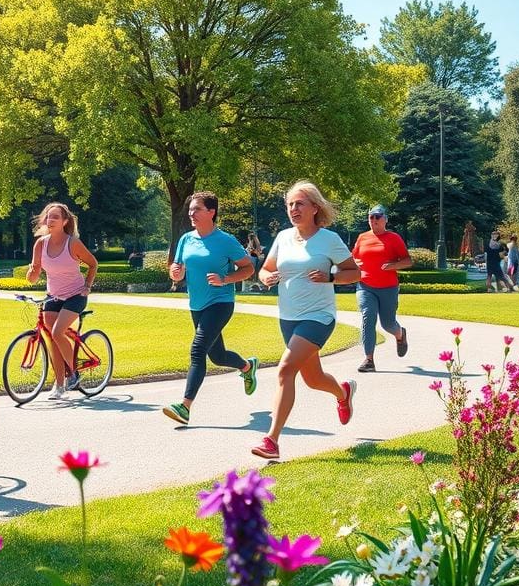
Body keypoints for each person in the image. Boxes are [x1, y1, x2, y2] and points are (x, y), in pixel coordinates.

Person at [251, 181, 360, 460]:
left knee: (285, 369)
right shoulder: (284, 237)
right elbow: (265, 269)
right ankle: (342, 393)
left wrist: (332, 277)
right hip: (288, 317)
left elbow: (354, 273)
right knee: (313, 379)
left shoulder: (329, 240)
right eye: (289, 204)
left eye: (299, 203)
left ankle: (272, 440)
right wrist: (266, 278)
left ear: (315, 207)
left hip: (318, 317)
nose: (293, 209)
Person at [163, 191, 258, 426]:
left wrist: (225, 279)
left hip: (221, 302)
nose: (191, 213)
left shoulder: (225, 241)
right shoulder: (186, 239)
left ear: (211, 212)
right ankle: (248, 366)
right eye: (190, 210)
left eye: (196, 209)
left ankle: (184, 407)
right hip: (197, 304)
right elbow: (177, 267)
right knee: (217, 356)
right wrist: (176, 272)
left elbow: (248, 269)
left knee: (197, 350)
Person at [25, 203, 99, 399]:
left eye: (55, 217)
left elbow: (93, 264)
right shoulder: (40, 244)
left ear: (65, 221)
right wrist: (32, 272)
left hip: (75, 295)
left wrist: (87, 286)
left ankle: (73, 373)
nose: (50, 220)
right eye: (48, 217)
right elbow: (32, 278)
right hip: (53, 296)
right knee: (52, 339)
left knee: (57, 332)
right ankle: (59, 386)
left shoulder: (72, 243)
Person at [351, 204, 412, 373]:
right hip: (365, 286)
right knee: (367, 317)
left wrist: (392, 265)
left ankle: (400, 335)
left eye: (378, 216)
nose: (374, 220)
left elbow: (408, 261)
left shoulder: (394, 238)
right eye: (371, 217)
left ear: (385, 219)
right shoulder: (362, 238)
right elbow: (353, 257)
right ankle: (369, 360)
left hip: (388, 288)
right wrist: (354, 263)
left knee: (388, 324)